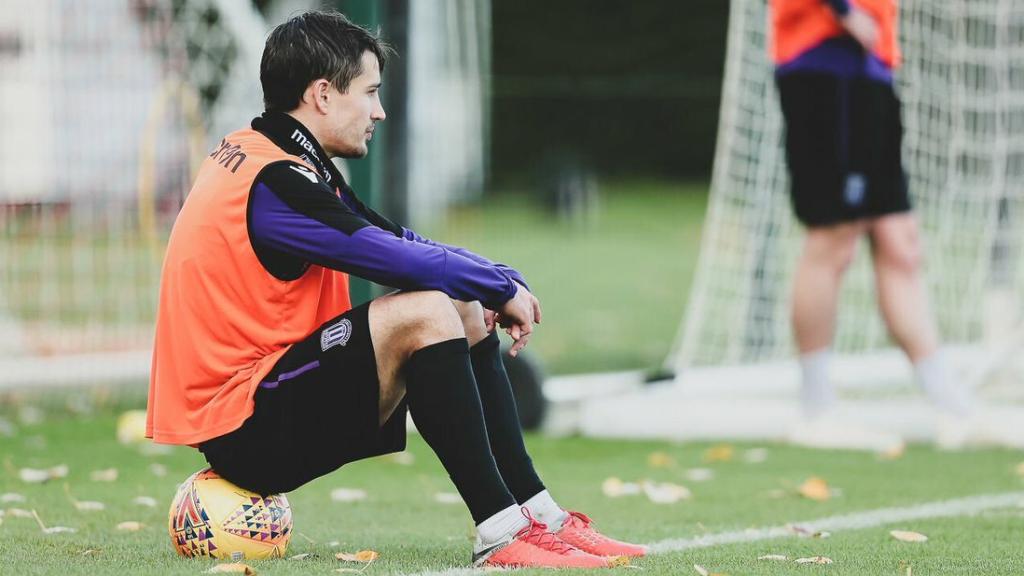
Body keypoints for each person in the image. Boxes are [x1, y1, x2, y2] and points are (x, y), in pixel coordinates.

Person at [145, 10, 645, 568]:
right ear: (323, 95)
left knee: (459, 303)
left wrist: (494, 280)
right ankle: (501, 535)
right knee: (428, 309)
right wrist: (499, 284)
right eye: (370, 92)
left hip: (269, 399)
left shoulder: (279, 158)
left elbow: (396, 237)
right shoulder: (276, 181)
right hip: (246, 429)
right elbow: (395, 258)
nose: (379, 111)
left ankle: (540, 515)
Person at [769, 0, 971, 449]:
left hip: (873, 66)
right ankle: (816, 409)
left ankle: (953, 407)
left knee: (901, 241)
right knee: (834, 236)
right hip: (823, 59)